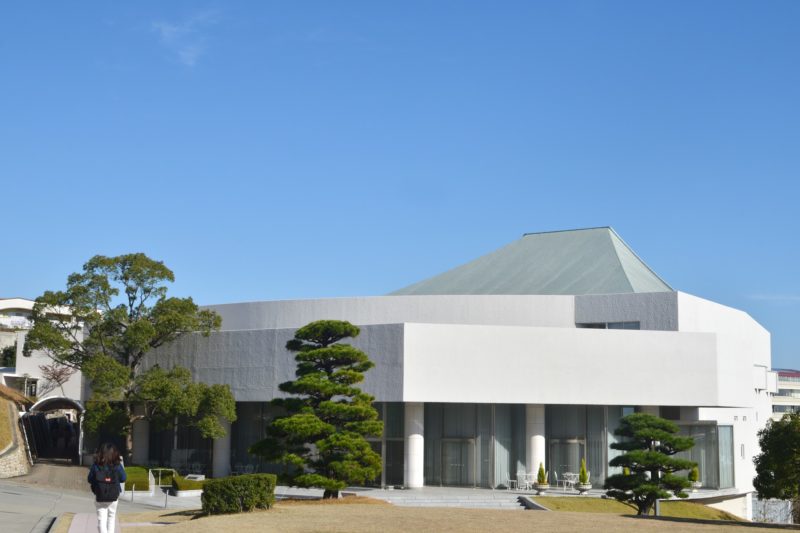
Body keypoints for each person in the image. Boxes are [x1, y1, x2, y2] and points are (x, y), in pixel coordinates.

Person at [87, 443, 127, 533]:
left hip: (100, 495)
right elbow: (124, 478)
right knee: (111, 518)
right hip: (113, 496)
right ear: (114, 453)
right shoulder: (117, 465)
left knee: (101, 520)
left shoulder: (96, 465)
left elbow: (89, 479)